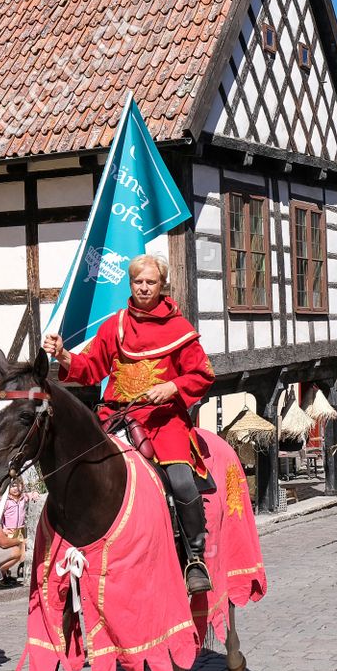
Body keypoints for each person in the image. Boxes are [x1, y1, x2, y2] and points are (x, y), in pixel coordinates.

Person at [44, 254, 217, 594]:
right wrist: (64, 356)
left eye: (150, 282)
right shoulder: (116, 324)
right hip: (116, 416)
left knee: (181, 481)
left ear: (161, 285)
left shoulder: (180, 330)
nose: (143, 287)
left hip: (162, 420)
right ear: (131, 283)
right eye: (138, 281)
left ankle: (195, 558)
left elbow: (202, 374)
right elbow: (91, 368)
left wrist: (172, 387)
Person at [0, 480, 29, 588]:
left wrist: (35, 494)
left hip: (20, 529)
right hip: (9, 530)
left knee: (22, 550)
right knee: (10, 552)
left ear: (22, 486)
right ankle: (4, 576)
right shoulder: (6, 501)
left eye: (18, 485)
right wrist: (3, 530)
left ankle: (23, 570)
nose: (16, 488)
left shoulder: (24, 498)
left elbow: (30, 495)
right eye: (13, 486)